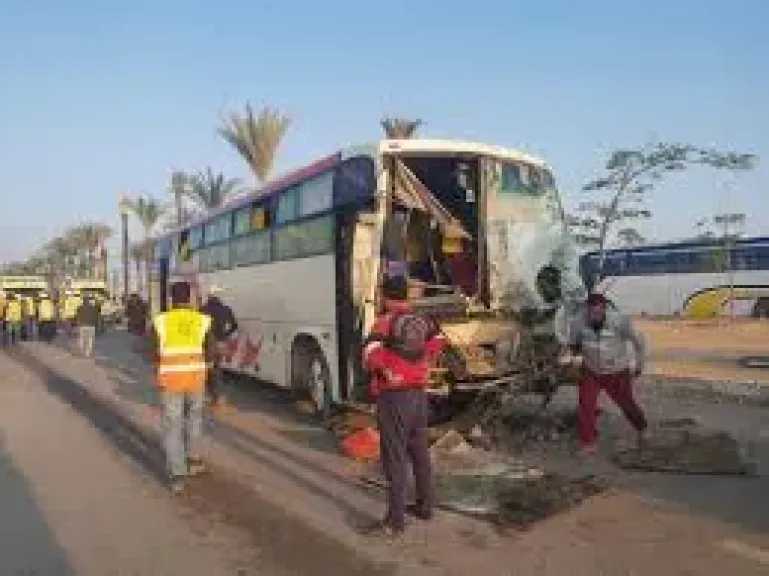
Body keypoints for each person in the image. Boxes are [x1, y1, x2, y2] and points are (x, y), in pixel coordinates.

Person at [362, 275, 446, 537]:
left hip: (394, 397)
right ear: (406, 296)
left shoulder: (385, 322)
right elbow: (440, 340)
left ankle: (394, 521)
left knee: (395, 457)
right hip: (419, 395)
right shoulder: (421, 320)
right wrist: (423, 362)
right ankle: (425, 505)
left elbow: (369, 354)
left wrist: (388, 370)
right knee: (420, 451)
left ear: (386, 296)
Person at [151, 281, 214, 494]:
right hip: (196, 379)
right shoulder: (202, 320)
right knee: (194, 419)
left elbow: (151, 350)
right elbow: (211, 350)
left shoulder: (161, 321)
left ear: (171, 299)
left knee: (173, 425)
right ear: (189, 298)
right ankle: (193, 460)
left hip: (171, 381)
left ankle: (177, 475)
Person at [569, 293, 648, 454]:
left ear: (605, 310)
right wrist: (575, 360)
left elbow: (639, 342)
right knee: (586, 405)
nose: (594, 317)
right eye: (591, 313)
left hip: (617, 371)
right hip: (591, 370)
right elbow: (574, 344)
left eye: (598, 313)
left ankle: (642, 428)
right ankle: (588, 443)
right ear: (586, 310)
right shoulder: (577, 323)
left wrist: (639, 364)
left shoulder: (620, 321)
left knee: (626, 404)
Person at [200, 285, 238, 407]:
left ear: (209, 295)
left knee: (209, 370)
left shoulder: (203, 309)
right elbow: (234, 325)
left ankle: (212, 396)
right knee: (217, 369)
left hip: (207, 344)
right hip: (221, 343)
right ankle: (216, 396)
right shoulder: (226, 309)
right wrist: (225, 335)